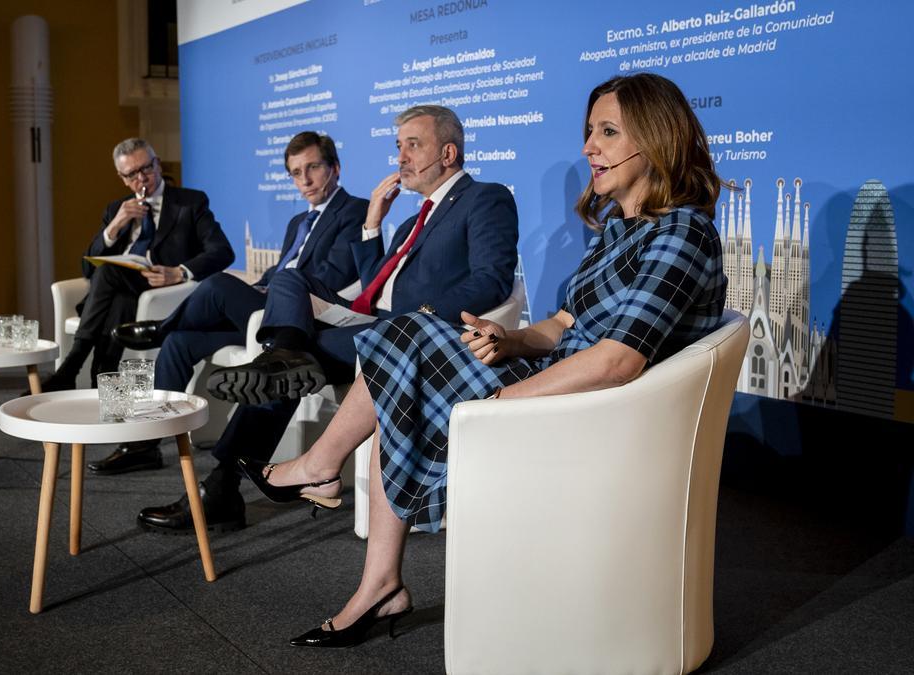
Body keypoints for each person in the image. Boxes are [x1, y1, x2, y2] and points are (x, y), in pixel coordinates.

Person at [245, 72, 729, 648]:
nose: (587, 147)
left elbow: (618, 361)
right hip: (557, 380)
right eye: (589, 131)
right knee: (400, 356)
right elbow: (565, 323)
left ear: (658, 138)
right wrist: (509, 340)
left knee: (404, 347)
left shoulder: (683, 232)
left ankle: (332, 494)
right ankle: (367, 559)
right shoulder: (621, 229)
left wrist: (501, 401)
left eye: (607, 132)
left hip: (590, 415)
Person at [135, 105, 520, 534]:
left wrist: (419, 319)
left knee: (283, 369)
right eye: (399, 146)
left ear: (448, 153)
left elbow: (492, 281)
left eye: (414, 145)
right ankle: (280, 359)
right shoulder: (414, 217)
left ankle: (221, 488)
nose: (401, 157)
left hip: (407, 334)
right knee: (291, 283)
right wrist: (373, 224)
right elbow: (377, 283)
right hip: (371, 322)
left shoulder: (486, 198)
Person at [85, 131, 367, 475]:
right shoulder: (297, 222)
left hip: (302, 315)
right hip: (267, 308)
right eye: (295, 172)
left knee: (218, 284)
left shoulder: (355, 211)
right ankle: (146, 444)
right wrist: (263, 287)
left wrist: (272, 290)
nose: (304, 180)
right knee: (179, 344)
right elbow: (280, 271)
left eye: (313, 168)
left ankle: (160, 328)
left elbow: (332, 278)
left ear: (335, 168)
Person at [39, 138, 234, 391]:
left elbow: (223, 251)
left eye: (146, 168)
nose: (141, 178)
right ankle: (104, 380)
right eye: (132, 174)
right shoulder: (116, 210)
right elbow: (87, 269)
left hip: (163, 291)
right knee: (118, 295)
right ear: (122, 178)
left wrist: (179, 272)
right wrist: (115, 226)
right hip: (121, 294)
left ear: (158, 165)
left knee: (109, 273)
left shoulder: (190, 203)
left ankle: (71, 367)